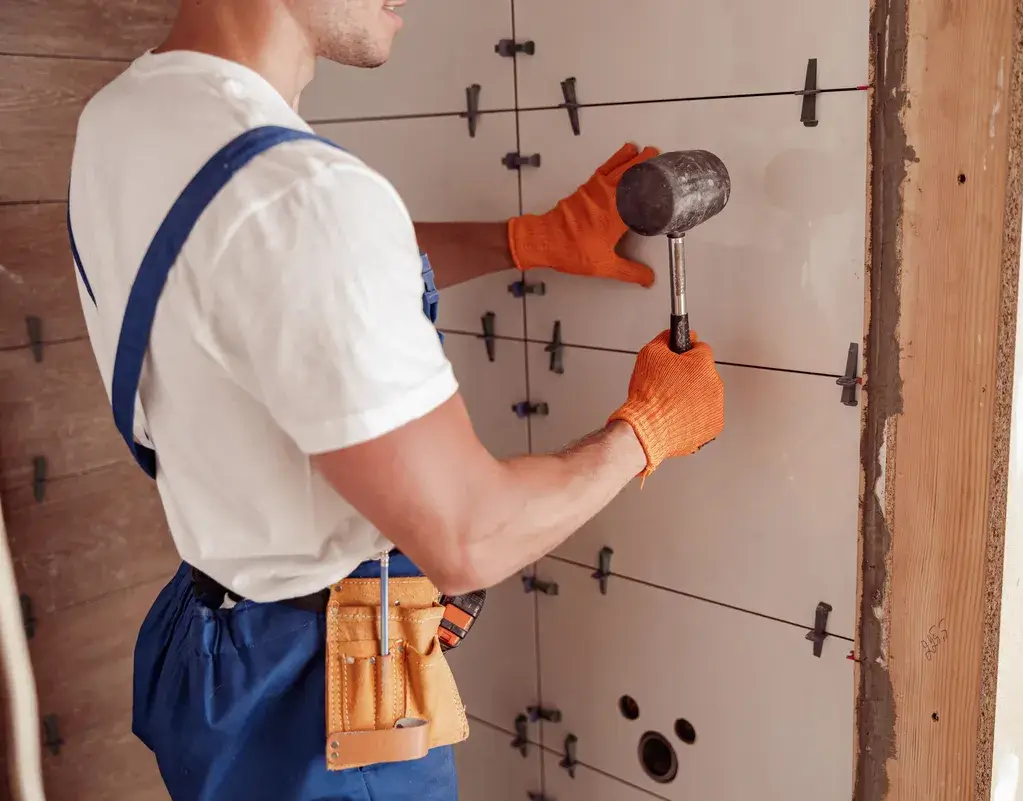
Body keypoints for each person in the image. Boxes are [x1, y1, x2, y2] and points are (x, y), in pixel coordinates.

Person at [67, 1, 726, 799]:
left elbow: (276, 273)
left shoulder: (131, 115)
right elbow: (470, 536)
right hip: (326, 709)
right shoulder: (300, 194)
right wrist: (649, 427)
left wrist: (526, 238)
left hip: (217, 648)